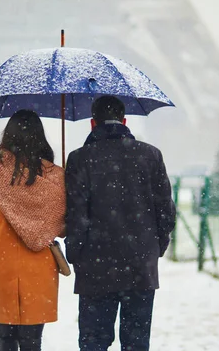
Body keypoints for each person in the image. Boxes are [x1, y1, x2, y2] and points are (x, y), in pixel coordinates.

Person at [65, 96, 176, 351]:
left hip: (95, 266)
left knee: (93, 341)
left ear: (92, 123)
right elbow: (166, 212)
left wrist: (76, 254)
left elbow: (76, 215)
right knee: (136, 343)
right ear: (125, 121)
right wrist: (153, 249)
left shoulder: (80, 159)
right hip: (140, 266)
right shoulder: (151, 155)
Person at [0, 110, 66, 351]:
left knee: (5, 341)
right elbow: (63, 225)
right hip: (39, 267)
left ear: (8, 135)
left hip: (0, 265)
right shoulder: (55, 176)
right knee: (32, 342)